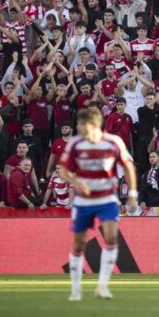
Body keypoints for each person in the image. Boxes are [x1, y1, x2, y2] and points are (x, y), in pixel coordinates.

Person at [58, 107, 137, 301]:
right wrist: (75, 181)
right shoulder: (76, 144)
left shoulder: (113, 142)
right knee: (79, 244)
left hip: (107, 199)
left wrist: (132, 194)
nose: (79, 128)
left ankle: (102, 286)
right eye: (79, 124)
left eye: (82, 125)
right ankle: (76, 290)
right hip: (83, 201)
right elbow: (62, 169)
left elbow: (128, 166)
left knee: (111, 237)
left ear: (94, 125)